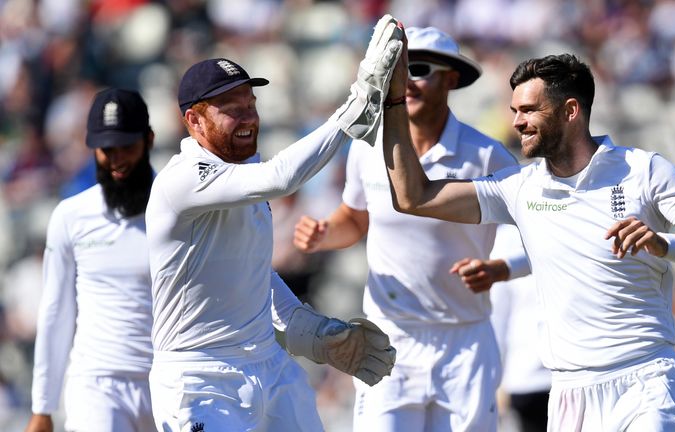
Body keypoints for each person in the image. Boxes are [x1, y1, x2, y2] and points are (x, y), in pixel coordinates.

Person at [382, 50, 675, 431]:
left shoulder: (645, 170)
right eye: (514, 110)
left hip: (645, 381)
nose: (516, 123)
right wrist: (393, 100)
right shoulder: (517, 188)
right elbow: (413, 197)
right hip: (569, 394)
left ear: (570, 111)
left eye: (528, 110)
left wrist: (666, 245)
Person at [145, 15, 402, 432]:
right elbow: (282, 177)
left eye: (250, 103)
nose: (248, 117)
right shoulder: (183, 179)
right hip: (200, 377)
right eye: (230, 109)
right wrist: (357, 105)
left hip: (268, 364)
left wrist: (310, 331)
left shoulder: (245, 175)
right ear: (193, 121)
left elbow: (254, 274)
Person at [293, 26, 524, 431]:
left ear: (451, 79)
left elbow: (529, 233)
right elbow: (354, 220)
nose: (405, 83)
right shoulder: (366, 149)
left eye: (416, 69)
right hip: (390, 338)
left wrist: (497, 267)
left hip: (464, 340)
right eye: (397, 72)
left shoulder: (487, 156)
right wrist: (324, 233)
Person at [25, 88, 157, 432]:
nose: (117, 161)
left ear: (150, 140)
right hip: (96, 384)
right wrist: (43, 407)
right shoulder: (71, 216)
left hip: (168, 381)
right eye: (106, 150)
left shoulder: (178, 211)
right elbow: (56, 310)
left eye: (127, 147)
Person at [488, 224, 550, 432]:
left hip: (578, 377)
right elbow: (497, 316)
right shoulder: (507, 237)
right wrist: (495, 384)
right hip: (527, 380)